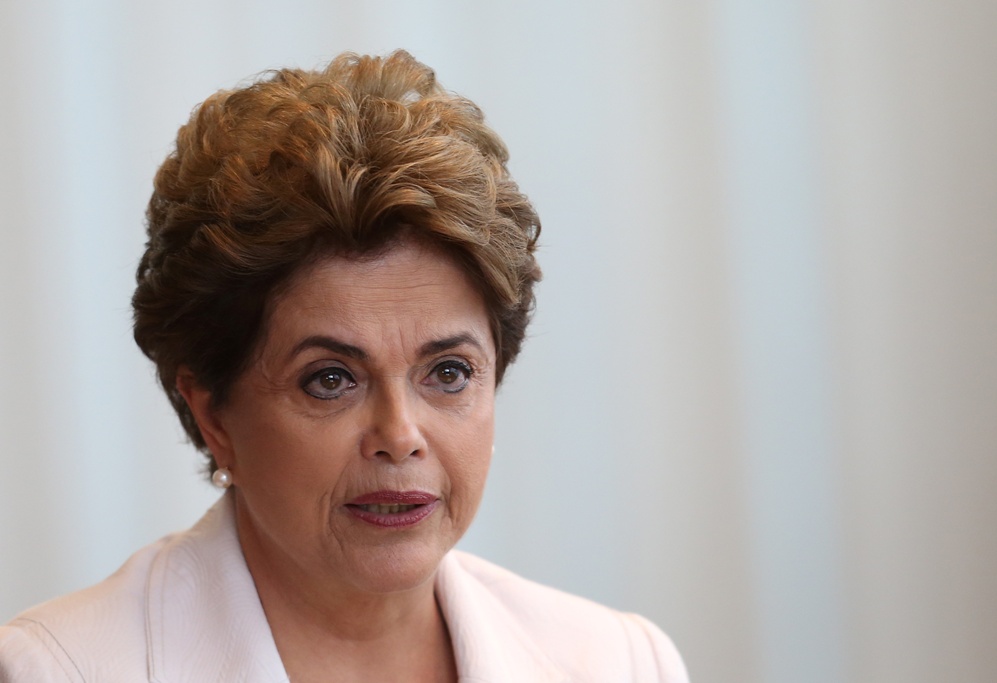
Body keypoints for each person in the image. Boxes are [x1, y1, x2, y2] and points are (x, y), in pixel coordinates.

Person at [0, 50, 687, 682]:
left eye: (448, 372)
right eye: (330, 379)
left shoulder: (619, 662)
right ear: (213, 415)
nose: (401, 435)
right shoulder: (58, 669)